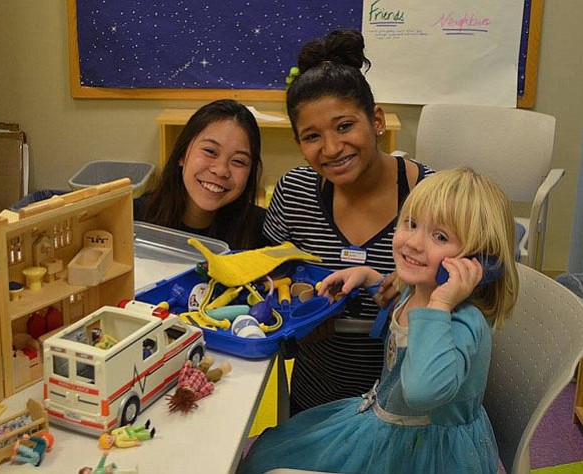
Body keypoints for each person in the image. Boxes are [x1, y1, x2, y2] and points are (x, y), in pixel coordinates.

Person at [240, 167, 519, 473]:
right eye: (411, 224)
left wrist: (440, 305)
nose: (413, 242)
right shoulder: (417, 288)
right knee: (265, 455)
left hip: (425, 455)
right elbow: (400, 310)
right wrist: (371, 278)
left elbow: (421, 391)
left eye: (439, 236)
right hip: (386, 423)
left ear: (479, 261)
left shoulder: (462, 323)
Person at [263, 28, 434, 414]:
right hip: (315, 402)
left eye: (344, 126)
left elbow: (485, 289)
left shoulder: (432, 197)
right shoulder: (294, 191)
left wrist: (419, 288)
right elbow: (270, 279)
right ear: (298, 142)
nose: (332, 148)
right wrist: (298, 313)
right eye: (312, 136)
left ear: (375, 120)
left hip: (405, 408)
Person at [134, 99, 270, 250]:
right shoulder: (132, 218)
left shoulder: (264, 231)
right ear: (182, 154)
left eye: (238, 161)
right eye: (210, 151)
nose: (221, 170)